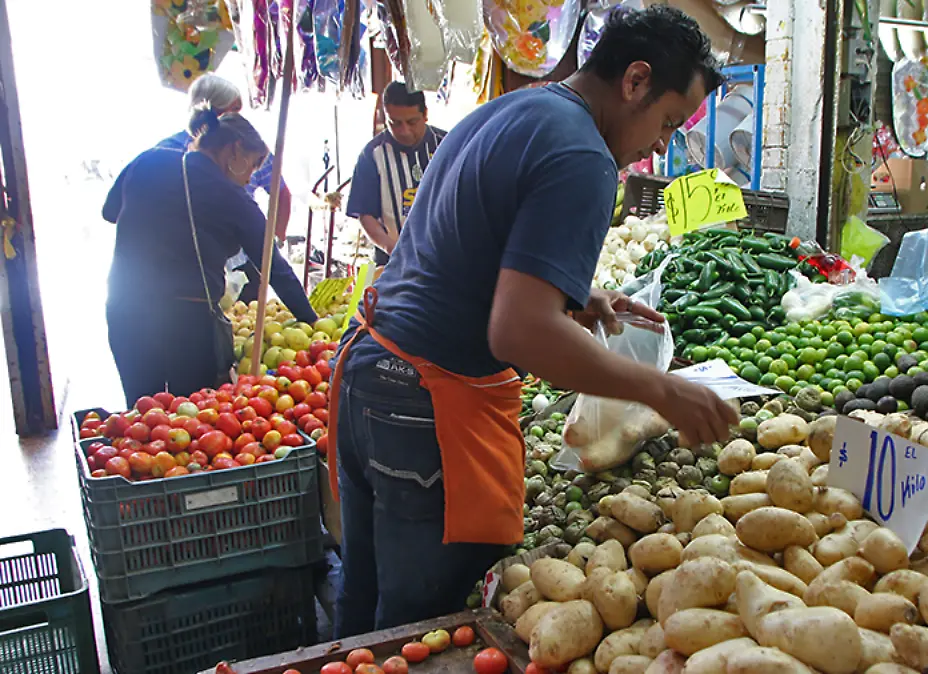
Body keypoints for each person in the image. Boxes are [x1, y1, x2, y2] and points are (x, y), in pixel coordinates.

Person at [326, 5, 735, 637]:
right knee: (422, 628)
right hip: (425, 403)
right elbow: (518, 333)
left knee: (364, 605)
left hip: (366, 374)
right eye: (668, 121)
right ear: (634, 81)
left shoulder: (514, 109)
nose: (661, 143)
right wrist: (661, 388)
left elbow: (468, 245)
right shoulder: (585, 157)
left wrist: (579, 296)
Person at [103, 108, 318, 408]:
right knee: (192, 421)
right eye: (254, 166)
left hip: (125, 309)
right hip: (186, 323)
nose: (250, 178)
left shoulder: (149, 160)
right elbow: (274, 268)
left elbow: (109, 212)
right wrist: (312, 322)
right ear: (235, 150)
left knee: (143, 417)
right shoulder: (233, 198)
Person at [156, 74, 293, 303]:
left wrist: (275, 238)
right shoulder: (171, 153)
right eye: (231, 111)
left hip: (243, 260)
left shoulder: (249, 145)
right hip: (188, 270)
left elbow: (281, 193)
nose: (236, 118)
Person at [345, 83, 446, 266]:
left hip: (444, 257)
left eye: (412, 122)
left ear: (425, 115)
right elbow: (365, 214)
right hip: (393, 261)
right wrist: (392, 248)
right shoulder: (372, 155)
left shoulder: (448, 145)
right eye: (395, 123)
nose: (404, 131)